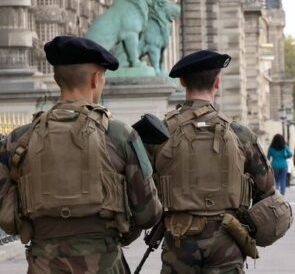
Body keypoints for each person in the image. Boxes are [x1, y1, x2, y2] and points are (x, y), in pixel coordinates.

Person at [0, 36, 162, 273]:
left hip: (43, 263)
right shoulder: (120, 134)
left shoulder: (18, 140)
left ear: (57, 79)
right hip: (105, 263)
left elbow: (7, 218)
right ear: (96, 79)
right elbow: (149, 213)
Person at [149, 50, 275, 273]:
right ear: (217, 82)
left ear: (182, 81)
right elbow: (266, 191)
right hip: (228, 237)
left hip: (179, 239)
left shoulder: (160, 133)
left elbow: (141, 188)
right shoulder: (240, 133)